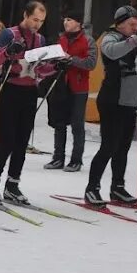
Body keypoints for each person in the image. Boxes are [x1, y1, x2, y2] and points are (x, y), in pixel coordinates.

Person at [83, 6, 137, 205]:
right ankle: (92, 188)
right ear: (120, 23)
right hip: (113, 100)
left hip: (130, 102)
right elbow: (112, 53)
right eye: (131, 24)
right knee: (108, 146)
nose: (134, 28)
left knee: (123, 148)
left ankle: (118, 187)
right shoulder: (110, 37)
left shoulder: (133, 41)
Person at [0, 0, 56, 204]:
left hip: (29, 91)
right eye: (34, 19)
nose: (37, 25)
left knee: (22, 141)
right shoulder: (9, 34)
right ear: (25, 15)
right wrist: (8, 52)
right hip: (10, 89)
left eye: (41, 21)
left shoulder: (40, 39)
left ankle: (13, 184)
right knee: (6, 141)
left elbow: (40, 69)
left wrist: (55, 67)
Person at [43, 12, 96, 172]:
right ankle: (58, 158)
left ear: (78, 23)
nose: (65, 22)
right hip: (61, 85)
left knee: (77, 124)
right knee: (59, 123)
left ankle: (76, 160)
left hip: (79, 87)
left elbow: (91, 63)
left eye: (69, 19)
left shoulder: (88, 40)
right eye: (64, 19)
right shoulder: (62, 39)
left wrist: (71, 59)